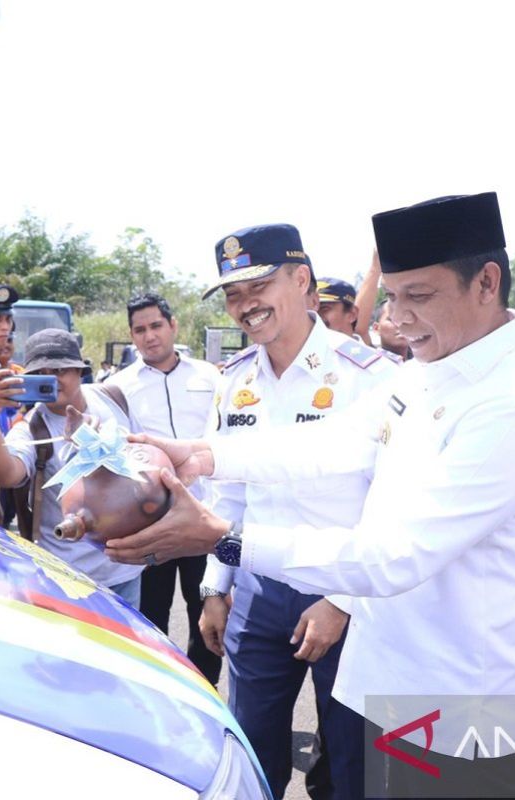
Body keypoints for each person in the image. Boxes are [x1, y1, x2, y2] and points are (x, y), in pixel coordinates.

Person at [108, 193, 515, 798]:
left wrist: (225, 540)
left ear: (486, 282)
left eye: (418, 297)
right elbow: (345, 440)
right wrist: (207, 455)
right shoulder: (432, 367)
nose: (397, 318)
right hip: (394, 673)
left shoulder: (511, 403)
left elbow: (395, 555)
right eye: (393, 296)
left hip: (462, 696)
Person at [198, 224, 392, 800]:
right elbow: (227, 490)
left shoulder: (369, 377)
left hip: (345, 590)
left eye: (259, 285)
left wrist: (341, 601)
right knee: (251, 760)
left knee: (355, 766)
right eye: (233, 294)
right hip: (258, 594)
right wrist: (215, 587)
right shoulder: (233, 382)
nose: (245, 305)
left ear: (301, 279)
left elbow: (389, 500)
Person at [105, 292, 223, 686]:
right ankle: (158, 692)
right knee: (149, 618)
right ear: (131, 337)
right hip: (148, 521)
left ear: (173, 326)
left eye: (156, 325)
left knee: (206, 612)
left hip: (203, 517)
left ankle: (203, 692)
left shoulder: (211, 377)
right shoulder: (117, 387)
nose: (149, 336)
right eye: (140, 330)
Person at [0, 328, 144, 601]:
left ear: (79, 371)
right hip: (66, 577)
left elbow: (142, 455)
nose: (51, 380)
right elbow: (7, 474)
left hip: (124, 571)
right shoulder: (32, 427)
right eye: (40, 374)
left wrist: (92, 441)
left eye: (59, 370)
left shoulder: (113, 398)